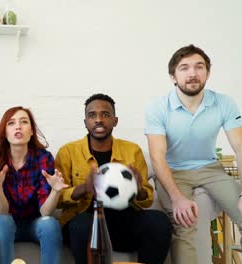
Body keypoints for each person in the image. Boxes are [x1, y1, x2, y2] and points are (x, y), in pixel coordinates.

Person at [145, 44, 242, 264]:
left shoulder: (224, 103)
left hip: (210, 169)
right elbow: (157, 156)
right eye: (184, 68)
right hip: (174, 171)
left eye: (199, 67)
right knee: (185, 224)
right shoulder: (158, 107)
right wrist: (177, 198)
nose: (192, 73)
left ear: (207, 73)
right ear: (173, 76)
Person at [56, 93, 172, 264]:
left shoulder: (132, 151)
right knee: (82, 224)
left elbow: (146, 200)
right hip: (85, 224)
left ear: (115, 121)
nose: (98, 120)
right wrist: (84, 189)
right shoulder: (68, 152)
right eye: (92, 115)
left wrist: (138, 189)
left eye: (105, 114)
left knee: (160, 221)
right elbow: (57, 199)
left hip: (123, 223)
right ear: (85, 122)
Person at [0, 106, 67, 264]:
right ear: (5, 132)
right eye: (11, 123)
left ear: (31, 131)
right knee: (2, 221)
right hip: (7, 223)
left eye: (24, 122)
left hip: (35, 223)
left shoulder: (44, 158)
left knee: (50, 224)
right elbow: (2, 212)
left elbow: (45, 212)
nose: (18, 126)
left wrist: (55, 192)